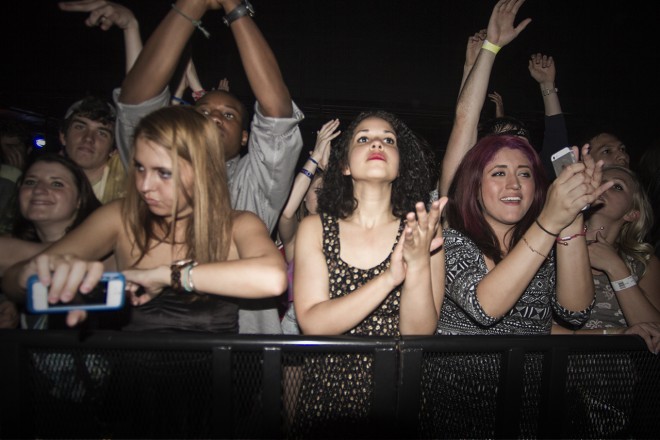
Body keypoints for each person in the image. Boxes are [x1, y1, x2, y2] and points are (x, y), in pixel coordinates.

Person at [2, 106, 287, 332]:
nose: (145, 186)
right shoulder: (119, 217)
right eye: (139, 168)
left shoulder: (237, 224)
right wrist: (33, 275)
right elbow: (13, 281)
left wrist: (165, 276)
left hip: (216, 386)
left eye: (163, 173)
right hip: (133, 389)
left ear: (202, 171)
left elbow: (272, 278)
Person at [115, 0, 304, 334]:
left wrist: (234, 7)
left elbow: (276, 111)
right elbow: (136, 102)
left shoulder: (256, 184)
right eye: (203, 112)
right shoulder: (154, 168)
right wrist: (192, 5)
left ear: (246, 137)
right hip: (146, 353)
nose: (215, 117)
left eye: (228, 115)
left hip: (238, 364)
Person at [289, 110, 447, 437]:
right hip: (328, 396)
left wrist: (417, 264)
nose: (377, 142)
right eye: (364, 138)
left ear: (400, 164)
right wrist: (389, 278)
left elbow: (418, 336)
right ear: (345, 166)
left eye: (388, 140)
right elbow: (313, 322)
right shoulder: (315, 228)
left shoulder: (422, 229)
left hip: (398, 395)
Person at [552, 165, 660, 352]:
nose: (602, 187)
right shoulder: (549, 250)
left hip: (614, 374)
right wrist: (613, 334)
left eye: (616, 187)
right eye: (599, 181)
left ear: (632, 213)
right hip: (555, 366)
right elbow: (530, 326)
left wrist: (615, 267)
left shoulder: (643, 263)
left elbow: (654, 333)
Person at [0, 153, 102, 329]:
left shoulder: (104, 248)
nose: (39, 189)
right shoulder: (15, 248)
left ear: (79, 200)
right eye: (30, 182)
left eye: (56, 184)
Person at [277, 119, 340, 334]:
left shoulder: (346, 229)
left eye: (327, 191)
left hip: (338, 312)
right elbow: (286, 212)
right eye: (316, 191)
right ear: (304, 198)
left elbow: (351, 199)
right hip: (296, 319)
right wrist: (314, 158)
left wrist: (330, 168)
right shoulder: (298, 236)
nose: (323, 197)